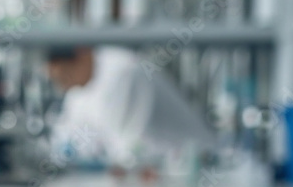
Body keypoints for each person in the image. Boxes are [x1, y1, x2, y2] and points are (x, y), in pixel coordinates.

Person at [47, 47, 216, 167]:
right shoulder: (77, 87)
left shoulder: (124, 72)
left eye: (64, 76)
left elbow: (129, 152)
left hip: (199, 167)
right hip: (156, 177)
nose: (62, 87)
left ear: (82, 54)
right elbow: (69, 139)